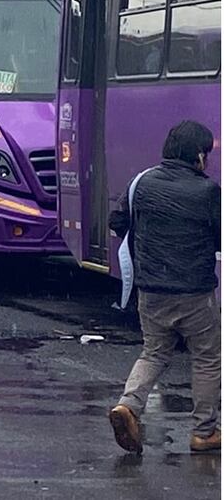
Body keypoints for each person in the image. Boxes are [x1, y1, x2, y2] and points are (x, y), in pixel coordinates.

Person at [108, 120, 221, 454]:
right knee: (207, 358)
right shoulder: (208, 191)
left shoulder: (141, 183)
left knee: (154, 352)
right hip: (195, 293)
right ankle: (204, 432)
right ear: (199, 156)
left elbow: (118, 223)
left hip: (151, 290)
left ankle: (128, 405)